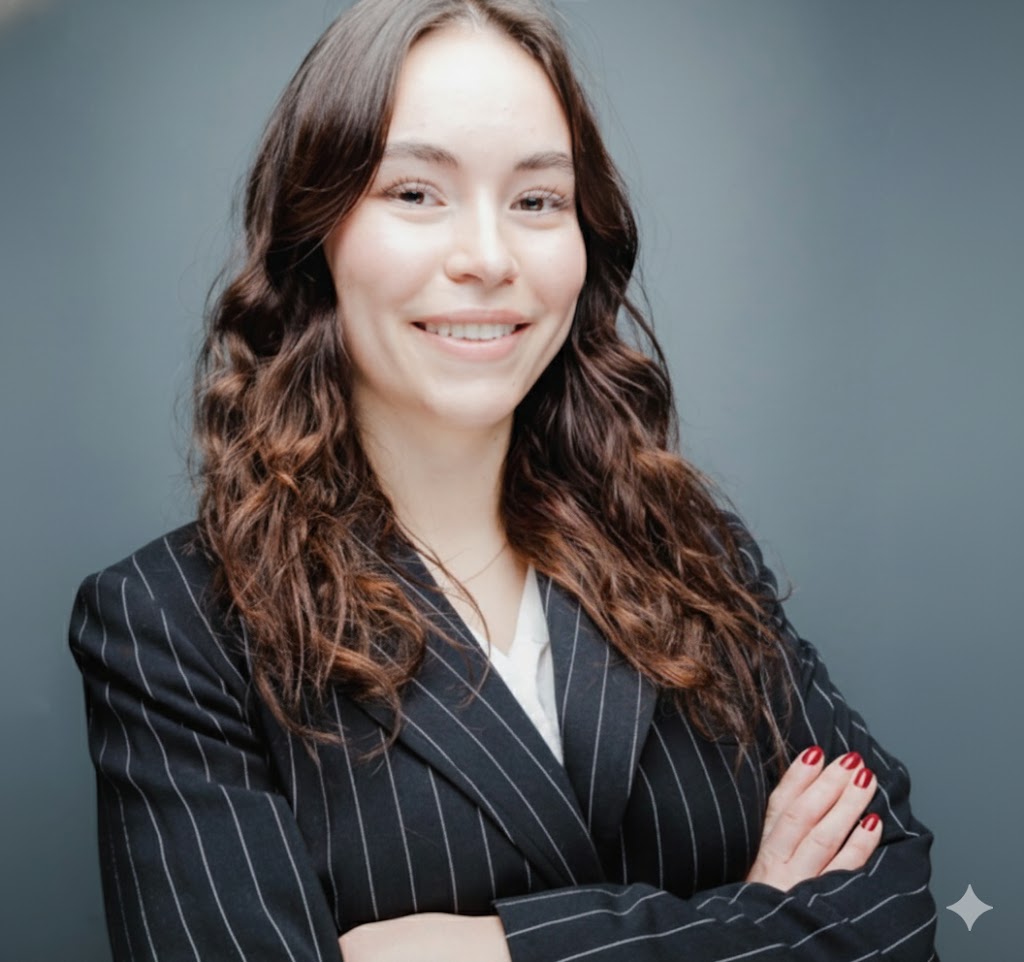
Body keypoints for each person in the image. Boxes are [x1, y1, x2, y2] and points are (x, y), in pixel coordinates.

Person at [68, 0, 938, 959]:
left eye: (536, 201)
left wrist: (492, 949)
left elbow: (896, 911)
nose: (487, 258)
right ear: (318, 233)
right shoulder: (173, 627)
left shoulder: (691, 552)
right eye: (415, 192)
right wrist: (758, 922)